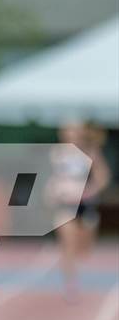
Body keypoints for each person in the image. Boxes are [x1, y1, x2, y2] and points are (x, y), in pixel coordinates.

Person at [47, 121, 110, 301]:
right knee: (68, 244)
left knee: (83, 249)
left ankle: (74, 264)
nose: (71, 134)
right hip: (64, 205)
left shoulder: (90, 152)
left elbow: (103, 176)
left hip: (85, 205)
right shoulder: (56, 153)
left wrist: (91, 190)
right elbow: (49, 176)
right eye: (68, 131)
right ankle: (70, 283)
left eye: (75, 131)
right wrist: (51, 192)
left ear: (80, 133)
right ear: (62, 133)